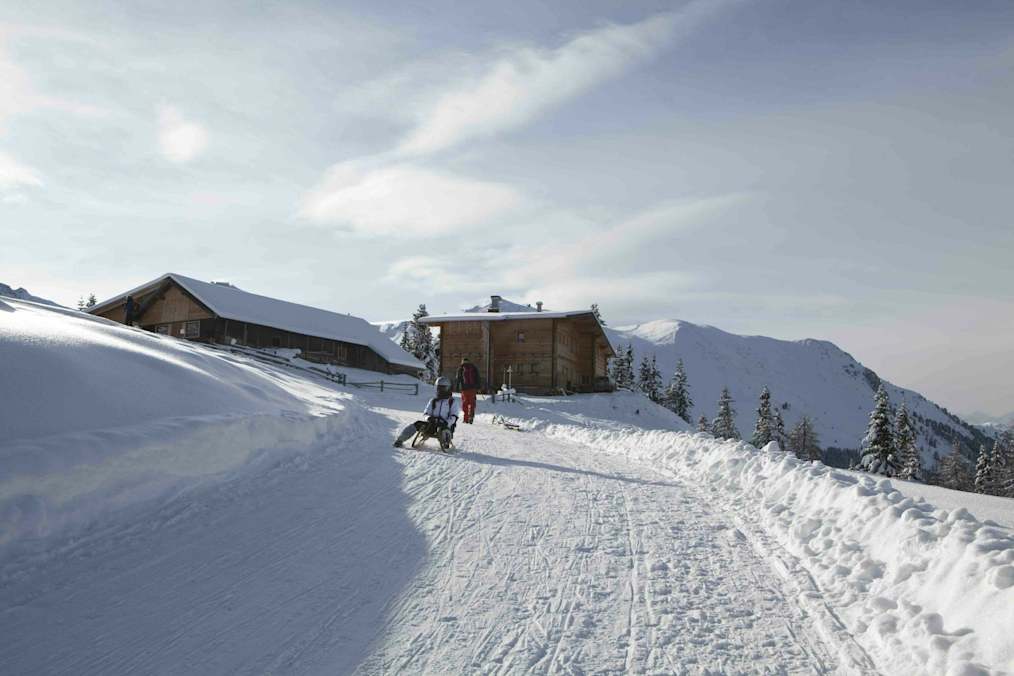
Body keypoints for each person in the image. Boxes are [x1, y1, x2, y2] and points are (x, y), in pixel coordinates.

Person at [393, 376, 460, 449]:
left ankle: (445, 441)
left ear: (448, 389)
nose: (440, 390)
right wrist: (429, 418)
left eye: (442, 388)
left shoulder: (452, 402)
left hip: (445, 426)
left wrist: (446, 423)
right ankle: (400, 440)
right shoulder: (433, 401)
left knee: (442, 430)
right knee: (416, 424)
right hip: (432, 424)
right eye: (438, 388)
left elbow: (454, 417)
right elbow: (426, 413)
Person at [455, 357, 481, 424]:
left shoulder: (461, 368)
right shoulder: (473, 368)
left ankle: (465, 419)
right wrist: (478, 387)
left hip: (464, 389)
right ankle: (471, 416)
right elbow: (478, 378)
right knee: (472, 403)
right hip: (473, 389)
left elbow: (458, 379)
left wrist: (457, 387)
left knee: (465, 404)